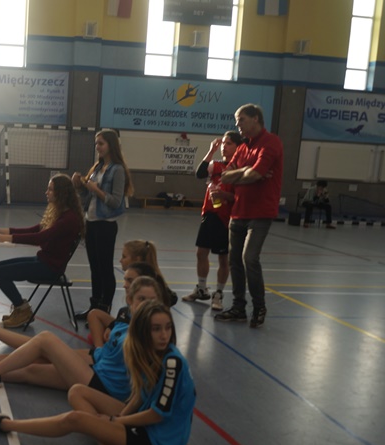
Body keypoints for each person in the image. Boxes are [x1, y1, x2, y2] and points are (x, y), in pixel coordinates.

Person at [0, 300, 196, 445]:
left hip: (158, 443)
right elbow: (138, 396)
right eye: (157, 329)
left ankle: (4, 424)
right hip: (142, 419)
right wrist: (115, 420)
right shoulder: (148, 353)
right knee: (76, 391)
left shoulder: (172, 363)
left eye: (167, 328)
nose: (164, 335)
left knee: (75, 419)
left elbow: (157, 415)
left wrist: (115, 421)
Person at [0, 277, 165, 404]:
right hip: (97, 368)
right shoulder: (128, 321)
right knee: (33, 370)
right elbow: (98, 320)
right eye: (141, 300)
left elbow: (150, 379)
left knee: (45, 341)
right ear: (130, 301)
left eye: (150, 301)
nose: (146, 305)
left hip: (103, 385)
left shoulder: (151, 335)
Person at [0, 174, 84, 328]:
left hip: (51, 268)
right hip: (43, 261)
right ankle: (21, 308)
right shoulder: (59, 213)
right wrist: (0, 231)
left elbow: (39, 238)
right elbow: (35, 229)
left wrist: (4, 238)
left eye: (50, 189)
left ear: (61, 193)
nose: (46, 192)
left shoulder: (68, 219)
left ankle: (22, 310)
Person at [217, 103, 284, 328]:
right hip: (238, 211)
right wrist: (246, 172)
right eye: (237, 121)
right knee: (234, 260)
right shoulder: (243, 147)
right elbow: (226, 175)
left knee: (250, 258)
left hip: (260, 212)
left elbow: (255, 174)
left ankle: (259, 306)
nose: (238, 125)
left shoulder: (271, 142)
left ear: (255, 118)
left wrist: (248, 174)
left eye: (242, 120)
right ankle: (238, 307)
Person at [72, 129, 134, 319]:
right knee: (94, 268)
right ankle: (94, 308)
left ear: (110, 145)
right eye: (96, 143)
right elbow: (87, 196)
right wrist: (79, 186)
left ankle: (104, 309)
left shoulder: (118, 170)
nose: (97, 147)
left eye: (101, 143)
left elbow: (115, 201)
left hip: (105, 225)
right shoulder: (97, 168)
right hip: (91, 222)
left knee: (105, 268)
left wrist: (96, 190)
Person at [182, 131, 243, 311]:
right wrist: (211, 150)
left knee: (224, 259)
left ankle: (218, 294)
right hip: (210, 214)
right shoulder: (215, 165)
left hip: (226, 218)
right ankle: (201, 289)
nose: (224, 146)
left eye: (229, 143)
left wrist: (224, 195)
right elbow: (200, 173)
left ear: (238, 147)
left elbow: (240, 197)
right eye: (223, 143)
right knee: (201, 253)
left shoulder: (239, 169)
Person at [119, 240, 177, 307]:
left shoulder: (148, 283)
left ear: (137, 259)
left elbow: (171, 297)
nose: (120, 260)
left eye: (124, 257)